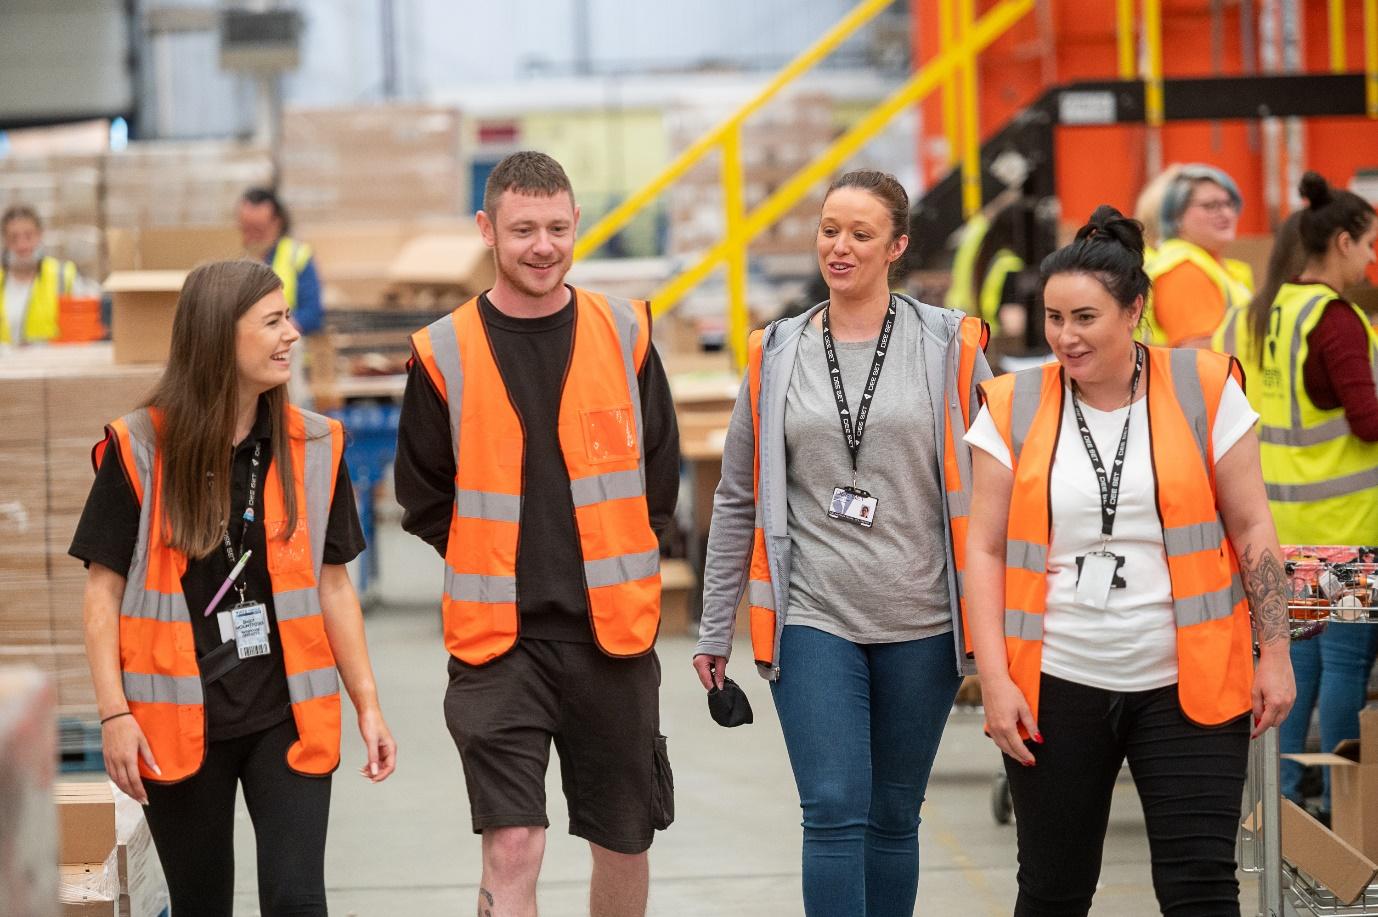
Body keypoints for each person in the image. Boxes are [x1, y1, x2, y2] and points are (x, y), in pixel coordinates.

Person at [964, 205, 1294, 917]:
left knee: (1200, 887)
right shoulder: (1012, 404)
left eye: (1085, 317)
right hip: (1055, 683)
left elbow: (1253, 525)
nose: (1065, 337)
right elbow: (983, 550)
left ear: (1134, 310)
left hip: (1190, 683)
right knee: (1052, 890)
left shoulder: (1205, 388)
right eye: (1053, 318)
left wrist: (1276, 650)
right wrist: (993, 678)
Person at [695, 169, 991, 917]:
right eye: (830, 229)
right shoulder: (777, 352)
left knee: (894, 818)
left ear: (896, 245)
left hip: (921, 617)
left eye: (861, 233)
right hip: (813, 613)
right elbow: (735, 497)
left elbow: (998, 494)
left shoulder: (948, 345)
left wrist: (1003, 630)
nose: (840, 246)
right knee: (831, 808)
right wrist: (713, 625)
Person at [394, 151, 679, 917]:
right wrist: (491, 557)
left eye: (557, 226)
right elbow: (422, 495)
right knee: (513, 842)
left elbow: (659, 478)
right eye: (523, 229)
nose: (542, 245)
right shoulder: (442, 352)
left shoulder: (625, 333)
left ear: (576, 223)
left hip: (612, 639)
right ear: (487, 229)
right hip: (498, 642)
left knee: (624, 839)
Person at [70, 260, 397, 916]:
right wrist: (114, 715)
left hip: (287, 711)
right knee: (202, 904)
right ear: (221, 336)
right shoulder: (139, 450)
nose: (293, 334)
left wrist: (367, 702)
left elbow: (335, 586)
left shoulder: (312, 445)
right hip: (178, 719)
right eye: (273, 321)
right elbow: (101, 595)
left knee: (296, 898)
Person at [1257, 171, 1378, 822]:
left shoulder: (1269, 308)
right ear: (1340, 240)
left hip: (1279, 527)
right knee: (1345, 673)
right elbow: (1366, 419)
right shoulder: (1334, 318)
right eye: (1368, 246)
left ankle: (1280, 816)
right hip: (1347, 532)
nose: (1370, 259)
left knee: (1291, 672)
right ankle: (1343, 814)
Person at [1142, 164, 1254, 347]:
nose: (1225, 213)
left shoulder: (1208, 264)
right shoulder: (1184, 270)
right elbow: (1197, 358)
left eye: (1229, 204)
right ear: (1176, 216)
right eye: (1210, 206)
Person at [1212, 210, 1306, 414]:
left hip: (1250, 436)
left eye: (1232, 204)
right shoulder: (1317, 315)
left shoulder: (1240, 314)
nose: (1226, 213)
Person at [238, 187, 324, 336]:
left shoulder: (297, 255)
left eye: (258, 229)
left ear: (277, 223)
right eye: (246, 229)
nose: (251, 236)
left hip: (288, 348)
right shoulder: (235, 259)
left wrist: (271, 329)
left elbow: (312, 314)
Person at [0, 205, 77, 347]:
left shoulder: (63, 276)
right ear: (5, 240)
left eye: (28, 236)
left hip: (55, 365)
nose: (22, 245)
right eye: (13, 238)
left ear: (40, 235)